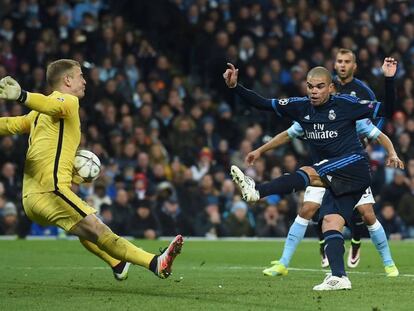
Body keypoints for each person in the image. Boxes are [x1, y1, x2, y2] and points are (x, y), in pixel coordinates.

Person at [0, 59, 183, 281]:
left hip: (30, 199)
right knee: (98, 229)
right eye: (80, 76)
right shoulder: (67, 102)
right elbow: (55, 106)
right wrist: (22, 96)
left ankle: (117, 262)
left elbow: (10, 124)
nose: (85, 81)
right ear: (67, 80)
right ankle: (155, 263)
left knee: (82, 228)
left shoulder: (37, 114)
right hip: (50, 191)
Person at [223, 58, 396, 290]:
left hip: (355, 167)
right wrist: (235, 87)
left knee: (309, 172)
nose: (314, 91)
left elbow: (388, 109)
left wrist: (389, 79)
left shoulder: (346, 104)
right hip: (335, 175)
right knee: (330, 223)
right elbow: (262, 103)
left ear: (330, 87)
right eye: (310, 86)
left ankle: (257, 191)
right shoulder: (300, 107)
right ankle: (339, 277)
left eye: (320, 86)